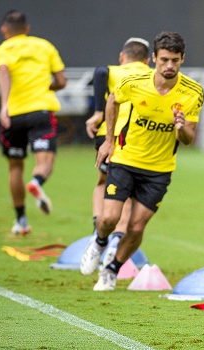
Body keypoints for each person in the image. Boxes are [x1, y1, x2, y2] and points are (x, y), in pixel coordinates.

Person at [80, 31, 204, 291]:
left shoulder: (193, 93)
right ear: (154, 59)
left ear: (182, 59)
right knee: (109, 219)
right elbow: (113, 100)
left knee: (136, 227)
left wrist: (180, 127)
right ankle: (100, 241)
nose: (169, 66)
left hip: (159, 169)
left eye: (175, 61)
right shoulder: (134, 82)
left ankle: (111, 270)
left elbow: (189, 138)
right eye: (164, 60)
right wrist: (109, 140)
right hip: (126, 159)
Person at [0, 10, 67, 235]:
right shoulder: (44, 46)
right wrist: (48, 87)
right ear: (27, 29)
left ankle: (21, 220)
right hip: (40, 111)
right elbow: (61, 80)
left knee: (15, 166)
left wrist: (4, 105)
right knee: (45, 161)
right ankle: (37, 182)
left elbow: (3, 72)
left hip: (12, 116)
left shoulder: (0, 52)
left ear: (4, 31)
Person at [84, 37, 152, 261]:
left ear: (122, 57)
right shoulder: (151, 76)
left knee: (103, 182)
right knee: (128, 192)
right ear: (148, 60)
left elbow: (100, 72)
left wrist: (96, 113)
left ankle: (98, 226)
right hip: (133, 136)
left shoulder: (111, 71)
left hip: (107, 135)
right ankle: (116, 239)